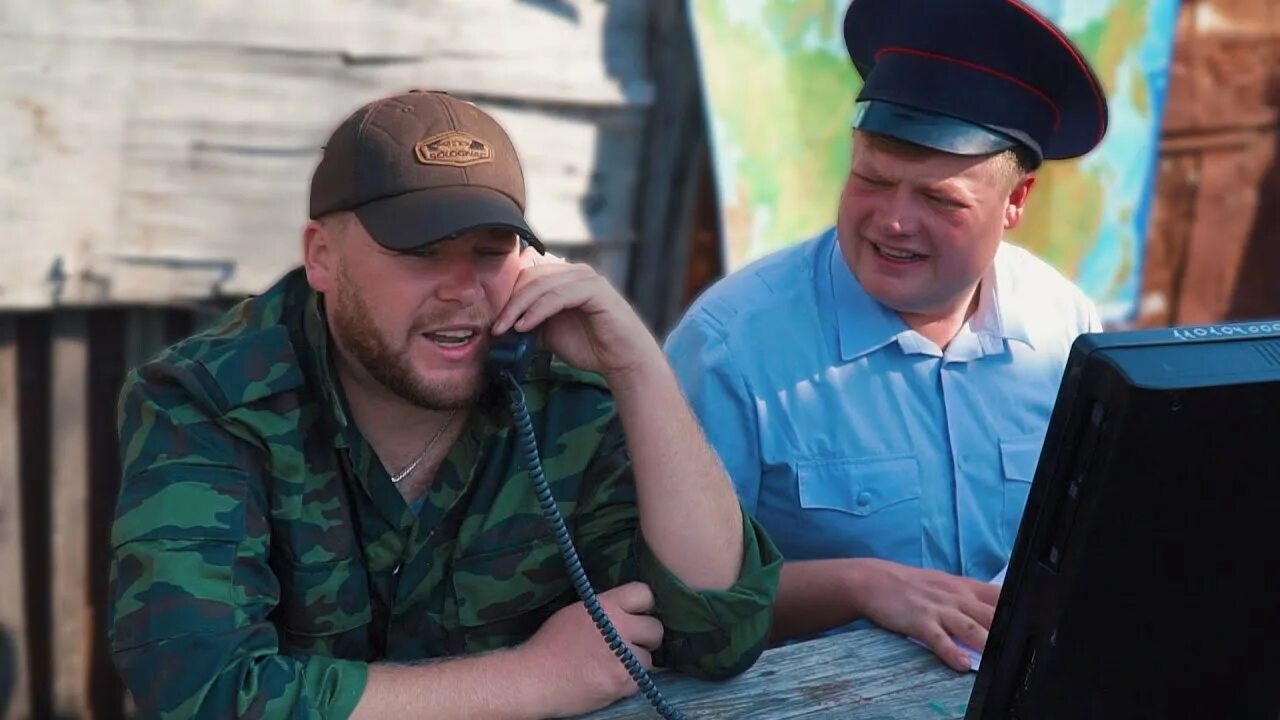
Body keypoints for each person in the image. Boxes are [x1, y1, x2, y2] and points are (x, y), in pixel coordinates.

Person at [107, 90, 781, 719]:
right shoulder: (206, 401)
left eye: (490, 252)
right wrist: (534, 679)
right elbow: (203, 689)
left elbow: (719, 635)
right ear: (322, 258)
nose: (463, 289)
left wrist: (639, 369)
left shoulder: (566, 385)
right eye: (421, 253)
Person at [665, 0, 1107, 673]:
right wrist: (860, 586)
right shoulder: (730, 346)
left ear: (1016, 203)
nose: (893, 222)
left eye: (939, 200)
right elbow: (670, 596)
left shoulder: (1065, 327)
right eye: (871, 180)